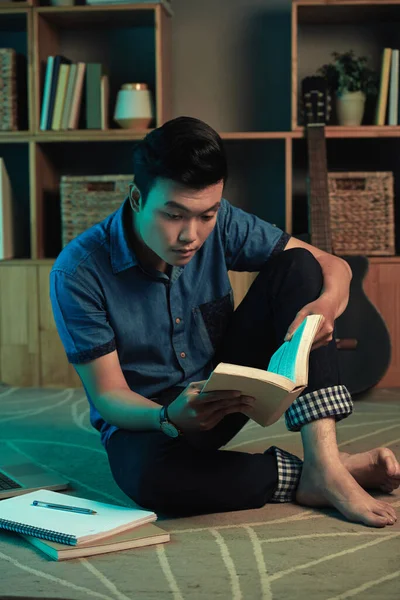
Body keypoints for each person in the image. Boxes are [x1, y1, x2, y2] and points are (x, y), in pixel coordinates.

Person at [50, 116, 399, 527]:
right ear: (136, 199)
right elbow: (109, 394)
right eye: (174, 215)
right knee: (150, 482)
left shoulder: (224, 224)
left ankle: (325, 463)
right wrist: (166, 417)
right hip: (150, 422)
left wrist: (325, 305)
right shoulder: (78, 272)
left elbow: (331, 264)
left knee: (299, 265)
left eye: (206, 215)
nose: (191, 235)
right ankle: (312, 476)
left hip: (226, 394)